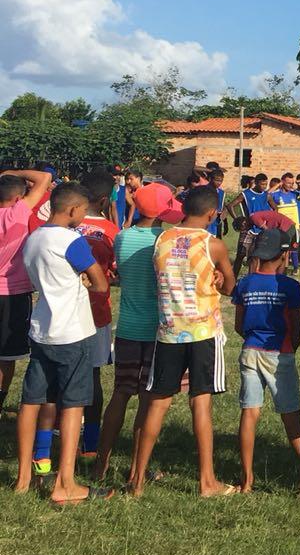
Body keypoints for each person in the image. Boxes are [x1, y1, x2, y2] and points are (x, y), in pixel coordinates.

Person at [127, 187, 237, 497]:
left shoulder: (161, 240)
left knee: (158, 403)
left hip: (169, 331)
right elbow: (229, 286)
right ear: (213, 214)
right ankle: (207, 482)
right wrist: (218, 277)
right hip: (203, 332)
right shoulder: (212, 245)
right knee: (200, 403)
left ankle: (137, 481)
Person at [13, 182, 113, 504]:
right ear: (72, 210)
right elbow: (99, 282)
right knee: (73, 404)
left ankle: (24, 478)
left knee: (31, 401)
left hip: (42, 327)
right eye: (82, 210)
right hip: (72, 331)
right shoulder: (72, 240)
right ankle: (65, 483)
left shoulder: (34, 238)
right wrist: (86, 280)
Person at [94, 182, 181, 483]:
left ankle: (100, 462)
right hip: (158, 329)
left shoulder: (123, 237)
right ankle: (136, 470)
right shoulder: (167, 239)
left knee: (121, 393)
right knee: (148, 399)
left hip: (128, 328)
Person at [232, 227, 300, 492]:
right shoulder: (289, 286)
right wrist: (290, 349)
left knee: (250, 412)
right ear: (284, 256)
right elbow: (297, 328)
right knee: (290, 416)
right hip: (279, 352)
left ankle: (247, 478)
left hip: (250, 350)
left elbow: (239, 326)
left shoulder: (245, 283)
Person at [0, 169, 53, 415]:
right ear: (19, 199)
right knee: (7, 356)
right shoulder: (17, 214)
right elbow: (44, 178)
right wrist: (12, 171)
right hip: (12, 294)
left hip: (12, 293)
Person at [75, 172, 120, 461]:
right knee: (92, 377)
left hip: (61, 312)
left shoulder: (62, 224)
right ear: (105, 200)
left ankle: (46, 445)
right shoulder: (111, 232)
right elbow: (116, 272)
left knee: (59, 377)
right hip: (95, 312)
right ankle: (90, 443)